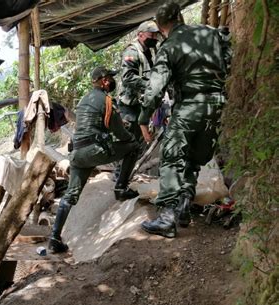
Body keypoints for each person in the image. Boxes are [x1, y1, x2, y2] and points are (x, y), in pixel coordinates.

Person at [138, 2, 231, 238]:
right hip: (216, 105)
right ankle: (184, 208)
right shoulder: (210, 33)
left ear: (160, 26)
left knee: (171, 156)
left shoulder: (169, 47)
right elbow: (228, 58)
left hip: (189, 105)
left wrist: (143, 117)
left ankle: (167, 217)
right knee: (193, 159)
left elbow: (156, 87)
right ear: (180, 17)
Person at [48, 66, 140, 253]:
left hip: (77, 154)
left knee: (71, 196)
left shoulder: (84, 99)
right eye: (111, 79)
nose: (113, 82)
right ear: (105, 81)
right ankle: (121, 188)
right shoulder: (106, 100)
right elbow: (120, 133)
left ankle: (54, 238)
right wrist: (130, 137)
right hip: (95, 151)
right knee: (133, 147)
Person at [118, 20, 160, 141]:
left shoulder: (146, 51)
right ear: (140, 35)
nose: (154, 38)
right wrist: (150, 85)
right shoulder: (132, 51)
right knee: (131, 140)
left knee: (140, 140)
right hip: (129, 107)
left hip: (140, 103)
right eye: (151, 35)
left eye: (155, 35)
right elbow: (127, 77)